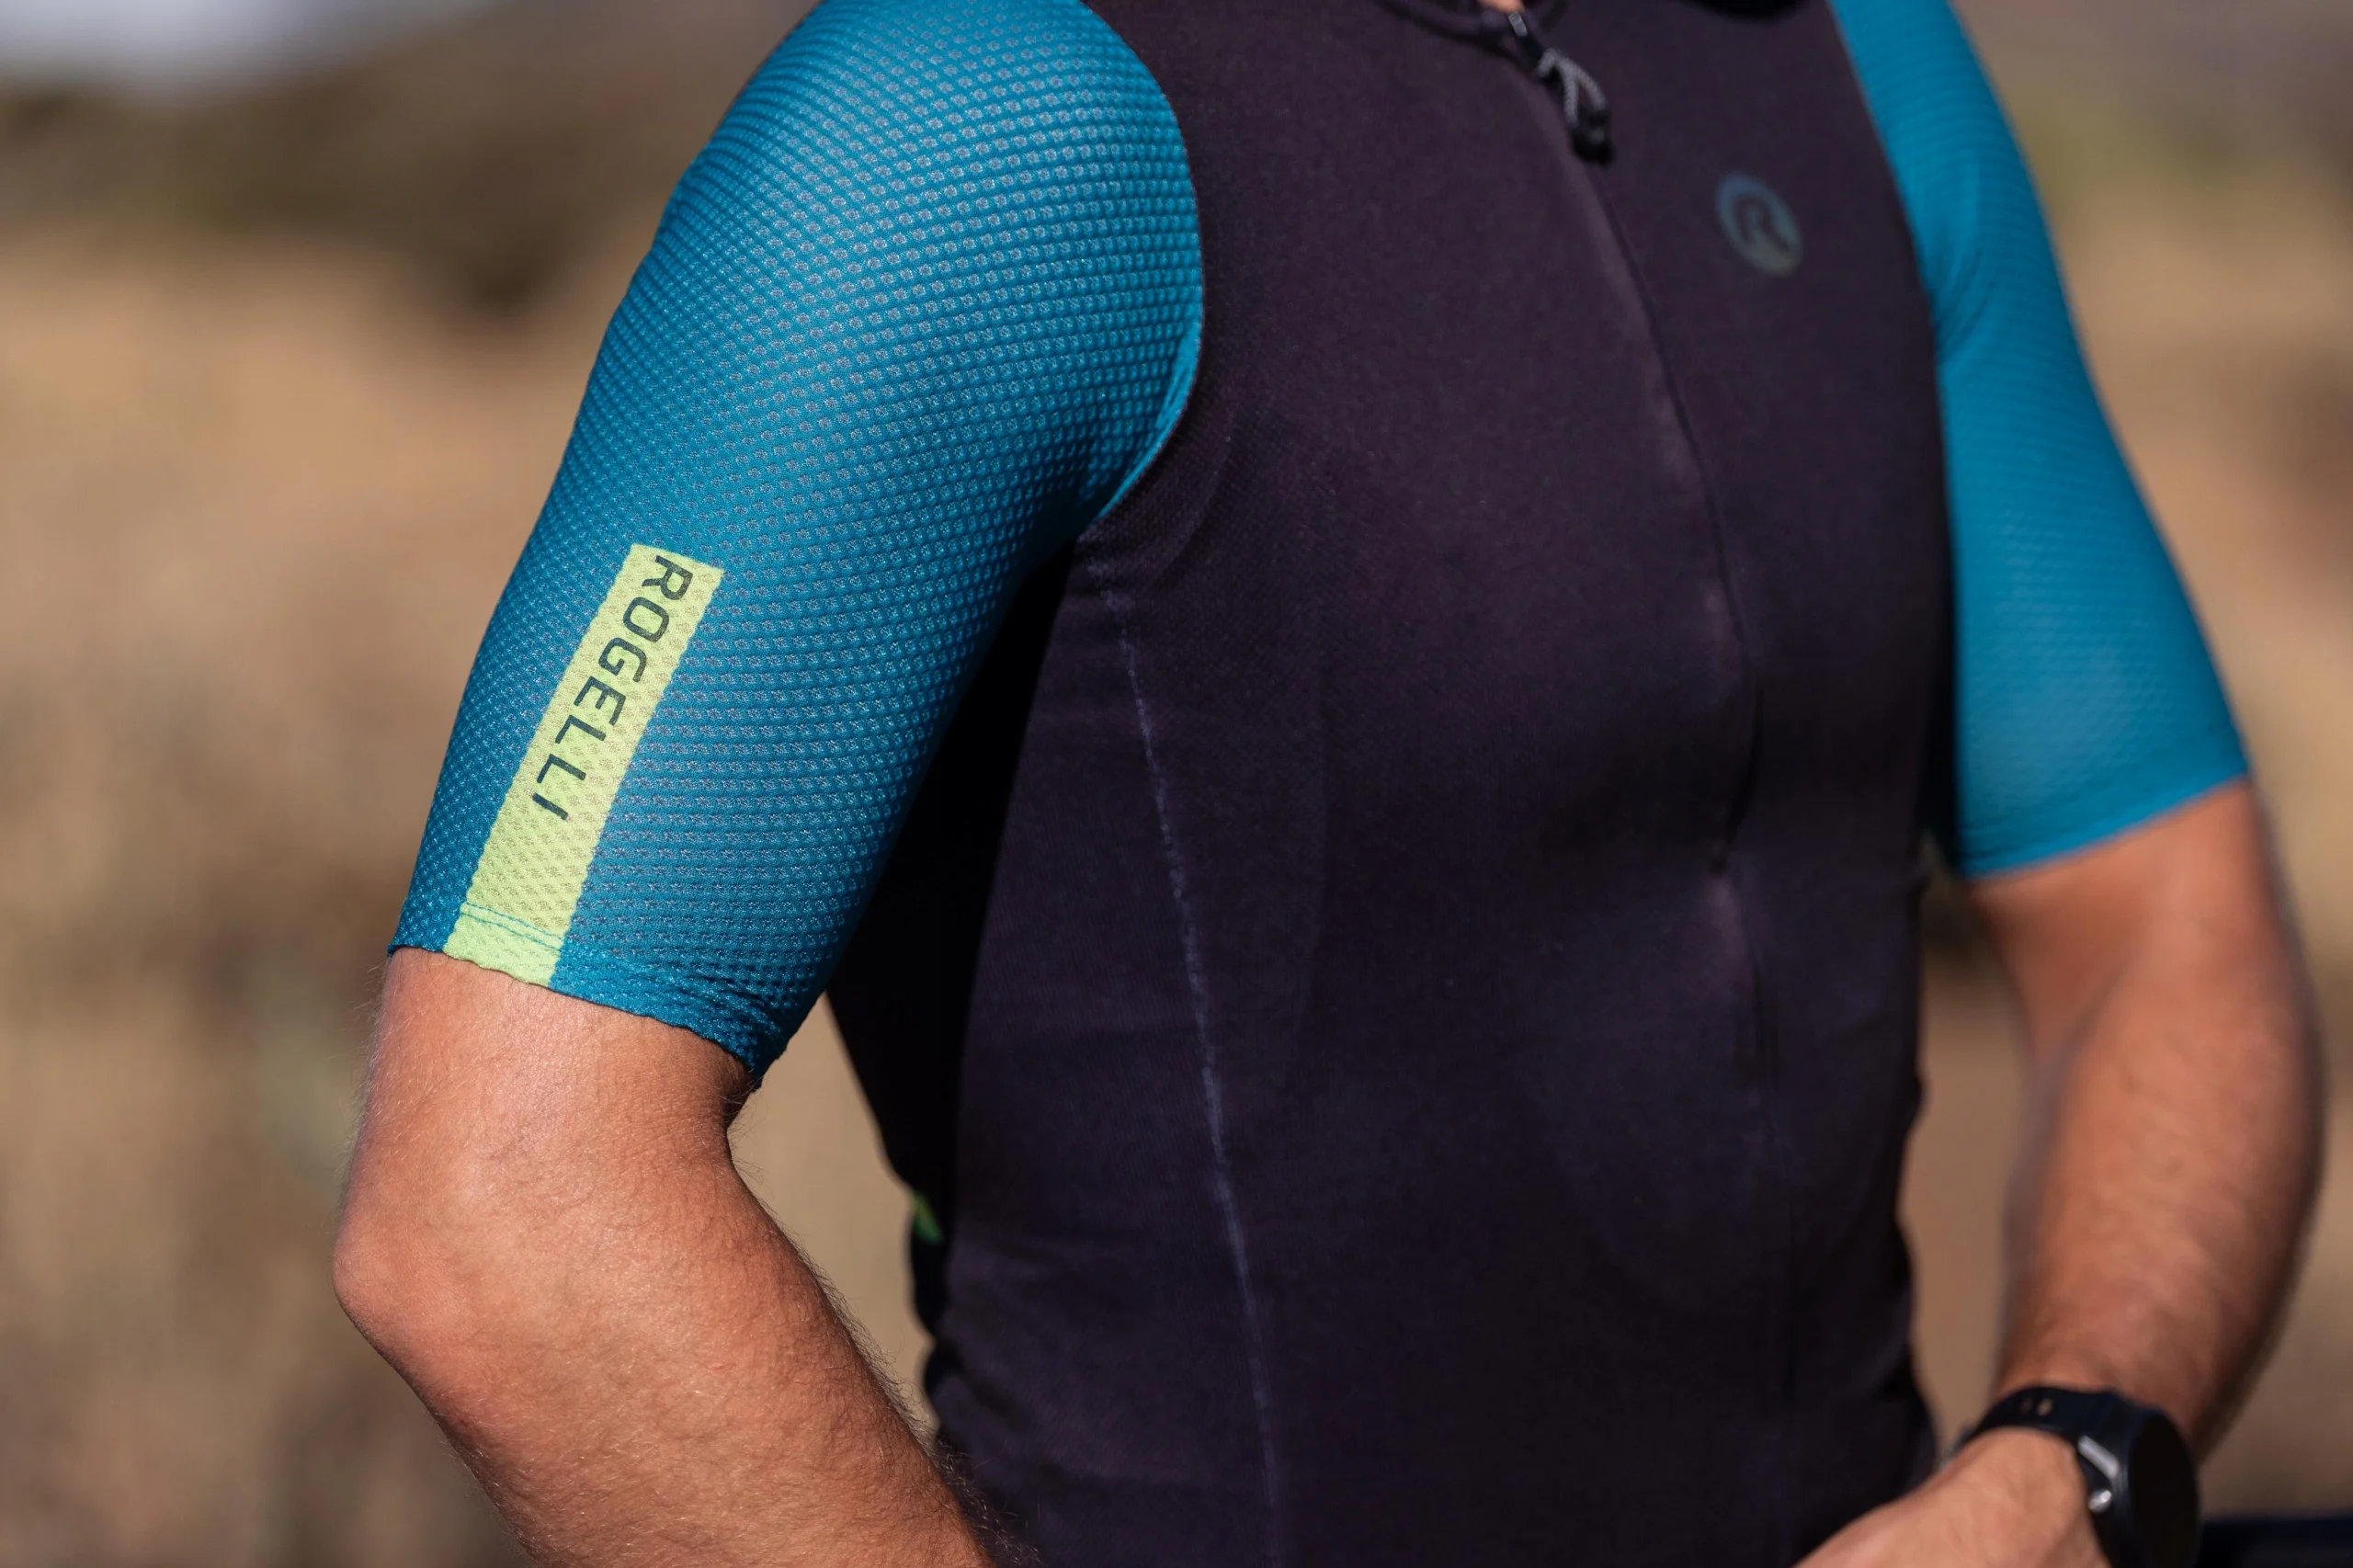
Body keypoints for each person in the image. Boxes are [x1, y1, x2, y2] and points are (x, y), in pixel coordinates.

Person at [331, 0, 2324, 1560]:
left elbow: (2165, 908)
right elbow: (500, 1205)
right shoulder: (965, 126)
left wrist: (2071, 1464)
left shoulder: (1852, 57)